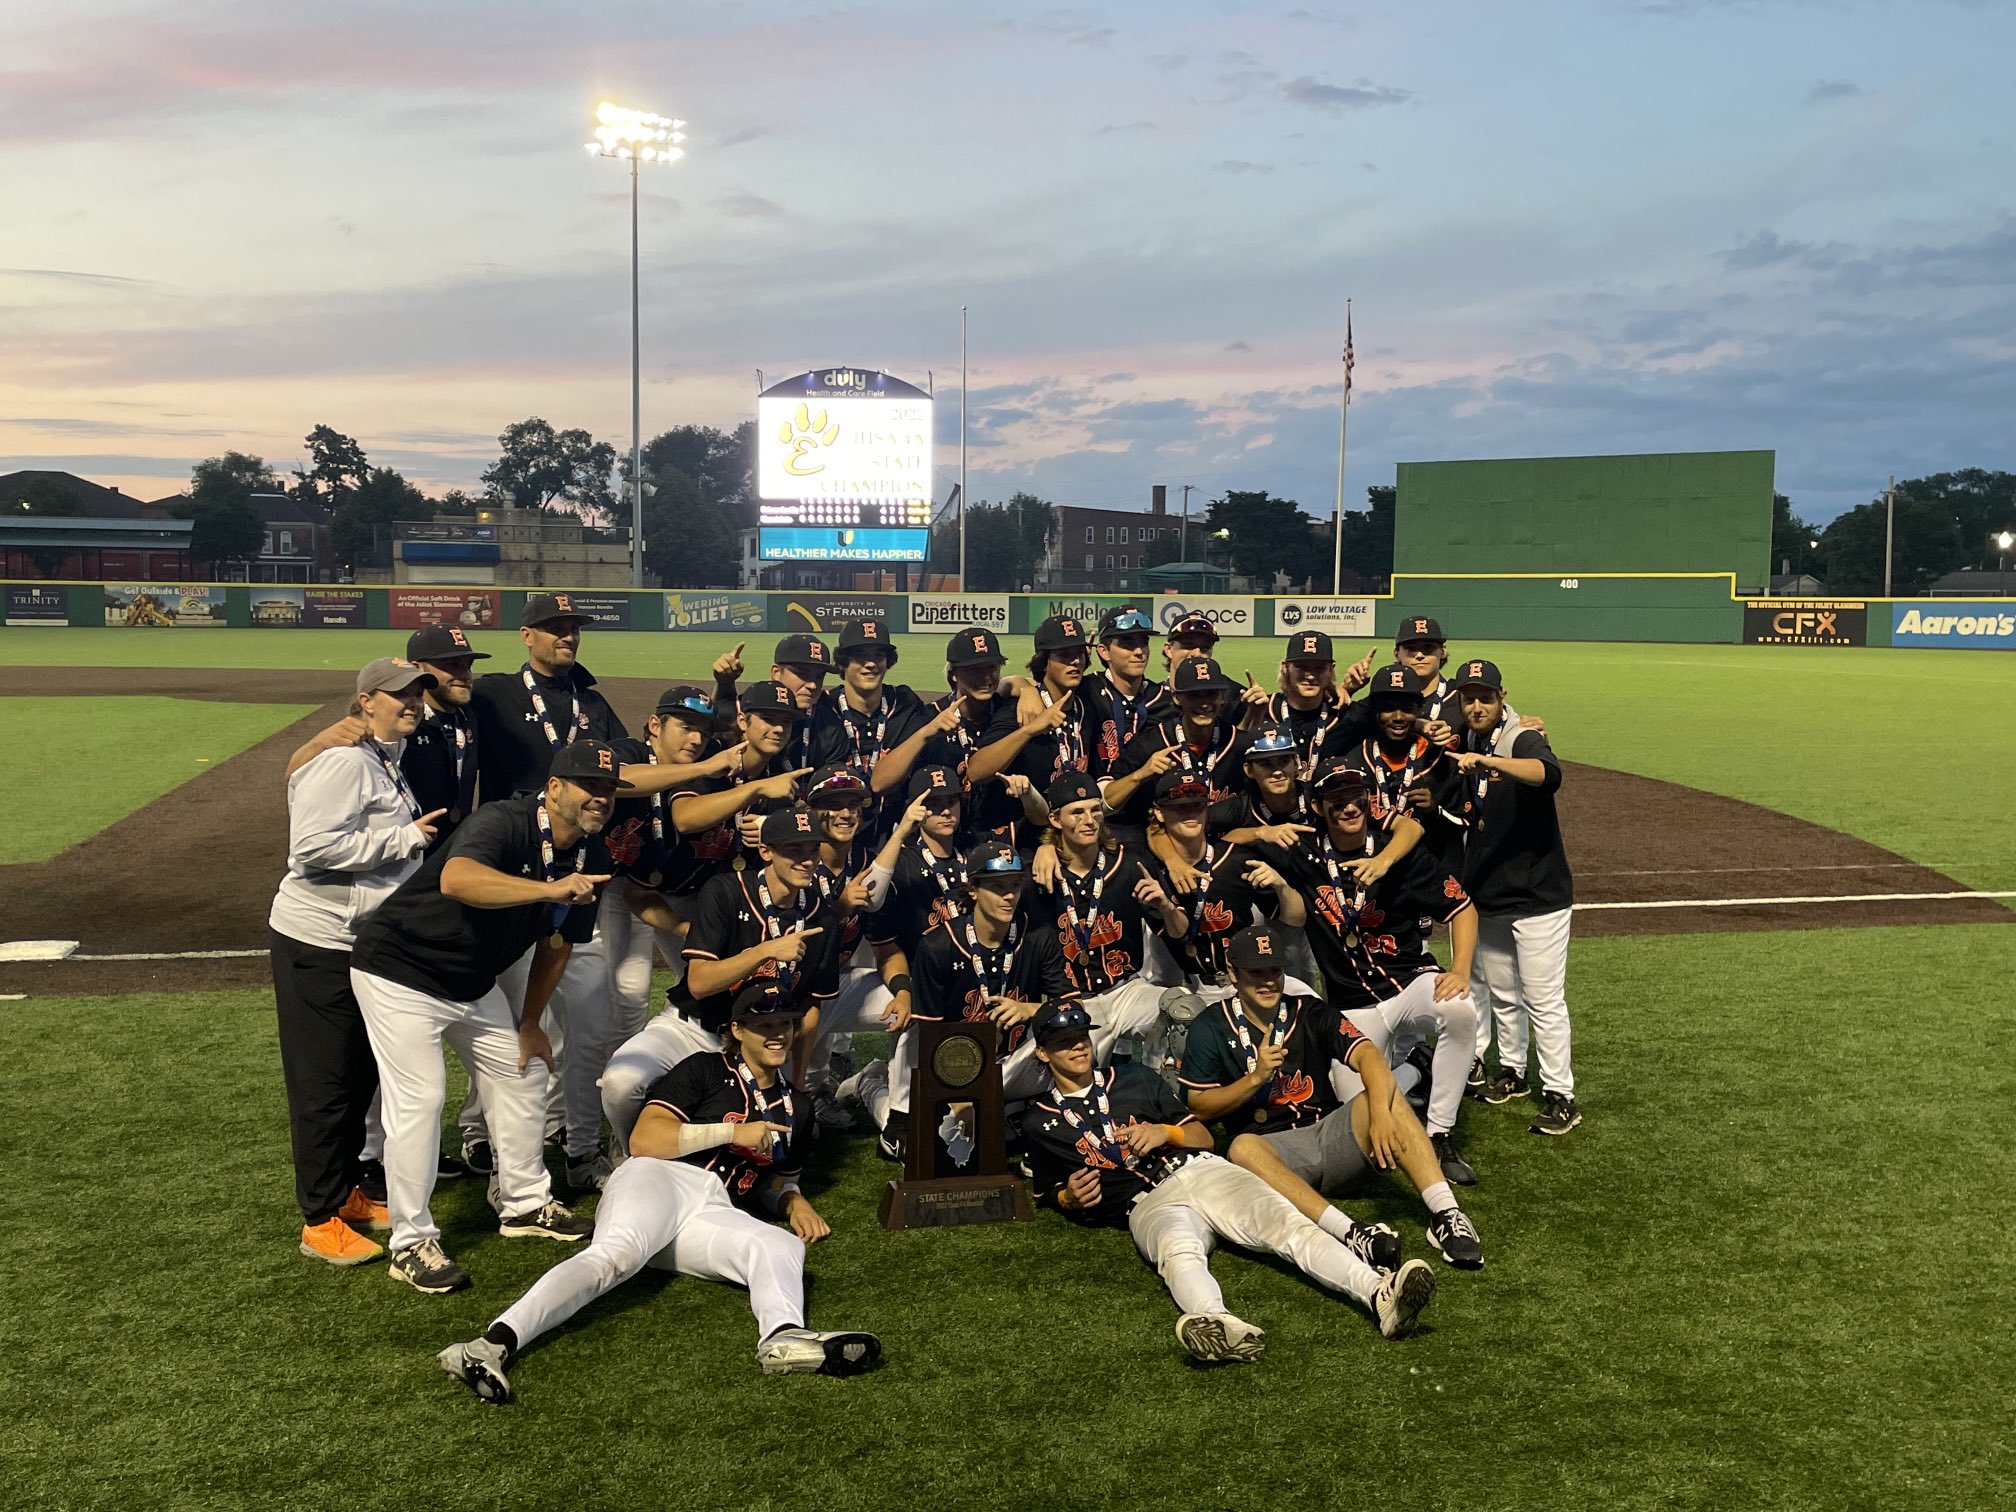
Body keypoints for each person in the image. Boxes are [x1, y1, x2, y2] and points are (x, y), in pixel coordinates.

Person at [435, 980, 881, 1402]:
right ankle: (488, 1345)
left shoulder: (798, 1106)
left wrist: (792, 1199)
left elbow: (775, 1181)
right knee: (615, 1257)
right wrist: (729, 1134)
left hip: (713, 1205)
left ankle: (783, 1337)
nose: (777, 1033)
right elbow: (644, 1141)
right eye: (764, 1024)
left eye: (784, 1022)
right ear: (737, 1030)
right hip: (657, 1176)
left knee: (778, 1243)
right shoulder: (704, 1068)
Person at [347, 740, 625, 1292]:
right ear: (554, 789)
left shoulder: (592, 855)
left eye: (610, 789)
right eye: (589, 785)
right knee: (421, 1098)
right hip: (400, 970)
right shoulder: (505, 819)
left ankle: (524, 1202)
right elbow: (456, 879)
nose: (601, 797)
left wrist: (529, 1023)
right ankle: (411, 1241)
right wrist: (547, 888)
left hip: (470, 984)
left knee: (524, 1070)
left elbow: (557, 944)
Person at [1024, 1000, 1438, 1358]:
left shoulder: (1133, 1077)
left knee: (1287, 1225)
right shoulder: (1038, 1121)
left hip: (1199, 1168)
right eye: (1064, 1041)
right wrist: (1070, 1199)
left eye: (1081, 1035)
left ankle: (1379, 1294)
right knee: (1177, 1253)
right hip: (1146, 1204)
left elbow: (1202, 1135)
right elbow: (1049, 1191)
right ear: (1042, 1053)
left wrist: (1164, 1133)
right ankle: (1216, 1323)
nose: (1078, 1046)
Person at [269, 657, 448, 1267]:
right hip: (318, 939)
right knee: (324, 1082)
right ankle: (319, 1219)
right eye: (399, 696)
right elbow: (310, 849)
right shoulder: (345, 761)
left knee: (356, 1074)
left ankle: (345, 1191)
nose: (412, 704)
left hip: (362, 941)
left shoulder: (383, 757)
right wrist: (404, 840)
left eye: (418, 695)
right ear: (366, 701)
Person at [1178, 924, 1485, 1271]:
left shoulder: (1309, 1010)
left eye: (1275, 970)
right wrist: (1254, 1079)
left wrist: (1381, 1115)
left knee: (1382, 1092)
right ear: (1233, 973)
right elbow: (1198, 1106)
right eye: (1256, 972)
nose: (1268, 981)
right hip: (1272, 1152)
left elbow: (1368, 1054)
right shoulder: (1209, 1026)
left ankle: (1446, 1212)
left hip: (1328, 1134)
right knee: (1240, 1148)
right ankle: (1352, 1234)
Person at [1250, 763, 1482, 1188]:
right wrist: (1261, 833)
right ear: (1318, 807)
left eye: (1356, 797)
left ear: (1370, 801)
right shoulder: (1302, 852)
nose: (1348, 807)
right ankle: (1416, 1069)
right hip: (1352, 1001)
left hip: (1409, 982)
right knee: (1355, 1104)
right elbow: (1224, 838)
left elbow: (1462, 907)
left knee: (1462, 1010)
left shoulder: (1400, 851)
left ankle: (1440, 1133)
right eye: (1336, 801)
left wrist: (1461, 968)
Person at [597, 805, 842, 1158]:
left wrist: (798, 1085)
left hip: (759, 1042)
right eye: (794, 850)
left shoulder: (823, 917)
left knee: (766, 1148)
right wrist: (764, 951)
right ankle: (628, 1152)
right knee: (621, 1083)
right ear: (766, 851)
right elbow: (698, 983)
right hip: (694, 1028)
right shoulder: (726, 891)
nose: (807, 860)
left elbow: (811, 1008)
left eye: (813, 849)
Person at [1452, 658, 1581, 1135]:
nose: (1478, 704)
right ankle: (1512, 1072)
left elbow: (1549, 774)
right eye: (1470, 697)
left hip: (1538, 895)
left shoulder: (1519, 737)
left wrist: (1490, 762)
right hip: (1490, 891)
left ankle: (1560, 1095)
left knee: (1544, 999)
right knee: (1503, 993)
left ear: (1502, 698)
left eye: (1486, 697)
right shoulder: (1466, 734)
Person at [1029, 774, 1184, 1066]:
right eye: (1077, 812)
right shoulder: (1039, 874)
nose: (1089, 820)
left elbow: (1178, 933)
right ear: (1055, 819)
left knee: (1185, 1010)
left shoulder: (1128, 863)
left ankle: (1164, 1097)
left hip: (1126, 990)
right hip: (1071, 1001)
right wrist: (1044, 847)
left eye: (1095, 809)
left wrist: (1165, 906)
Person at [470, 592, 628, 802]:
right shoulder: (492, 694)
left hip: (578, 829)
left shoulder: (593, 703)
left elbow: (625, 765)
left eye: (574, 629)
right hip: (513, 830)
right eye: (556, 630)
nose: (569, 638)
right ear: (527, 636)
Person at [871, 626, 1022, 839]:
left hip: (995, 836)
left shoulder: (1007, 711)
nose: (985, 677)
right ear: (953, 675)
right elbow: (879, 782)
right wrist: (925, 733)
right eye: (974, 669)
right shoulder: (929, 716)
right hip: (940, 839)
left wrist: (1026, 688)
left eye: (992, 667)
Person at [967, 615, 1099, 842]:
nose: (1074, 662)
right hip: (1019, 838)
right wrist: (1028, 730)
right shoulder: (1020, 710)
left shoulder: (1089, 703)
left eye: (1078, 653)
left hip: (1070, 834)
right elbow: (976, 771)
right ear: (1044, 661)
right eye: (1063, 656)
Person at [665, 681, 812, 881]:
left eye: (786, 722)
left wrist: (773, 828)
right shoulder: (711, 756)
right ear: (742, 721)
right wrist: (757, 788)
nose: (778, 729)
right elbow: (684, 818)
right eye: (768, 719)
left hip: (726, 891)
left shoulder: (781, 770)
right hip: (665, 888)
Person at [1101, 656, 1249, 838]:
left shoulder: (1238, 743)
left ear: (1223, 697)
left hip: (1222, 847)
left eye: (1211, 693)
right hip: (1160, 847)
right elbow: (1104, 802)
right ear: (1176, 697)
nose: (1204, 703)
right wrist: (1140, 775)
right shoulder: (1150, 744)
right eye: (1194, 695)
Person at [1346, 663, 1467, 871]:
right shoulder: (1356, 760)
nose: (1399, 717)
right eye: (1389, 708)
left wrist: (1434, 810)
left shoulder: (1440, 760)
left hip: (1428, 872)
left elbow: (1464, 826)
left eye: (1407, 709)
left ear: (1419, 710)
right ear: (1374, 711)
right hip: (1370, 874)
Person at [1264, 629, 1375, 779]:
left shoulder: (1347, 717)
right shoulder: (1263, 711)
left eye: (1319, 668)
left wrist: (1348, 689)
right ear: (1285, 667)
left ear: (1331, 670)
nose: (1310, 675)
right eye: (1302, 667)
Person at [1086, 607, 1162, 766]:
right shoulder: (1086, 691)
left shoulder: (1163, 699)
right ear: (1104, 652)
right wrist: (1025, 688)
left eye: (1144, 642)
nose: (1139, 651)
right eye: (1127, 644)